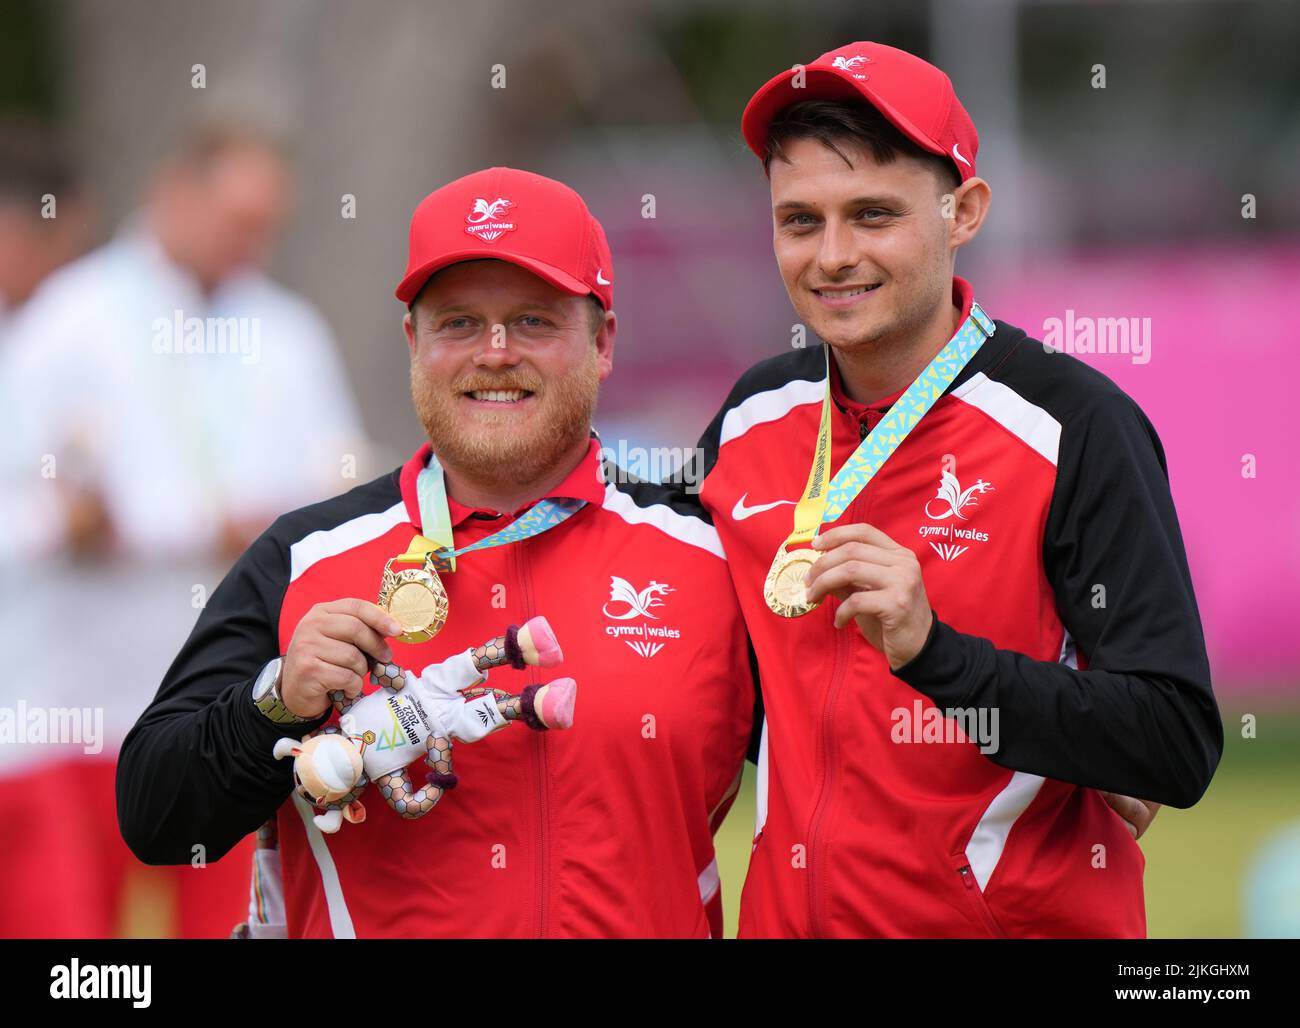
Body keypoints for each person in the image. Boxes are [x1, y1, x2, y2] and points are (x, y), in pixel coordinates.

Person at [116, 166, 754, 938]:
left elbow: (841, 780)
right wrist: (275, 700)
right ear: (414, 341)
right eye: (458, 323)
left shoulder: (711, 554)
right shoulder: (305, 555)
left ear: (603, 341)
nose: (494, 352)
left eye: (533, 321)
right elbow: (157, 818)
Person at [682, 42, 1222, 937]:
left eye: (873, 214)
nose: (834, 255)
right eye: (800, 220)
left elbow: (1175, 740)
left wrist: (939, 655)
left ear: (962, 211)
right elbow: (691, 665)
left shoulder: (1073, 424)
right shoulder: (752, 415)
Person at [0, 118, 368, 938]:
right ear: (174, 194)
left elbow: (342, 485)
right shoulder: (70, 317)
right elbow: (17, 500)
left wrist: (267, 520)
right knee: (72, 951)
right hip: (76, 705)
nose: (250, 245)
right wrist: (70, 523)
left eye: (265, 228)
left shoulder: (288, 332)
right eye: (237, 222)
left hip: (223, 694)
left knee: (225, 923)